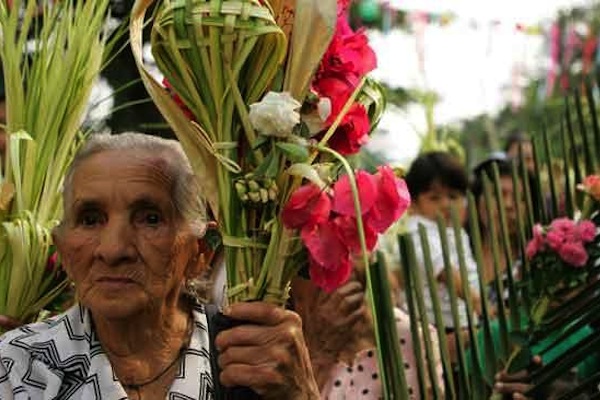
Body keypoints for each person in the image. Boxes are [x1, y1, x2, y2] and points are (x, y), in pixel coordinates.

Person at [0, 132, 320, 399]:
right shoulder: (17, 366)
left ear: (200, 252)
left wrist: (302, 394)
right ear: (64, 249)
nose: (113, 250)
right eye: (90, 219)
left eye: (150, 219)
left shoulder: (249, 360)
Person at [292, 266, 444, 399]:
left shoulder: (412, 338)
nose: (336, 266)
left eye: (349, 248)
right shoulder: (280, 348)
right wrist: (320, 354)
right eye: (308, 263)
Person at [404, 152, 481, 331]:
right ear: (413, 203)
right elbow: (445, 271)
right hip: (436, 328)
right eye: (434, 197)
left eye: (453, 196)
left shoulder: (454, 230)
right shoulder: (417, 229)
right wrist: (478, 302)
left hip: (465, 321)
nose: (446, 204)